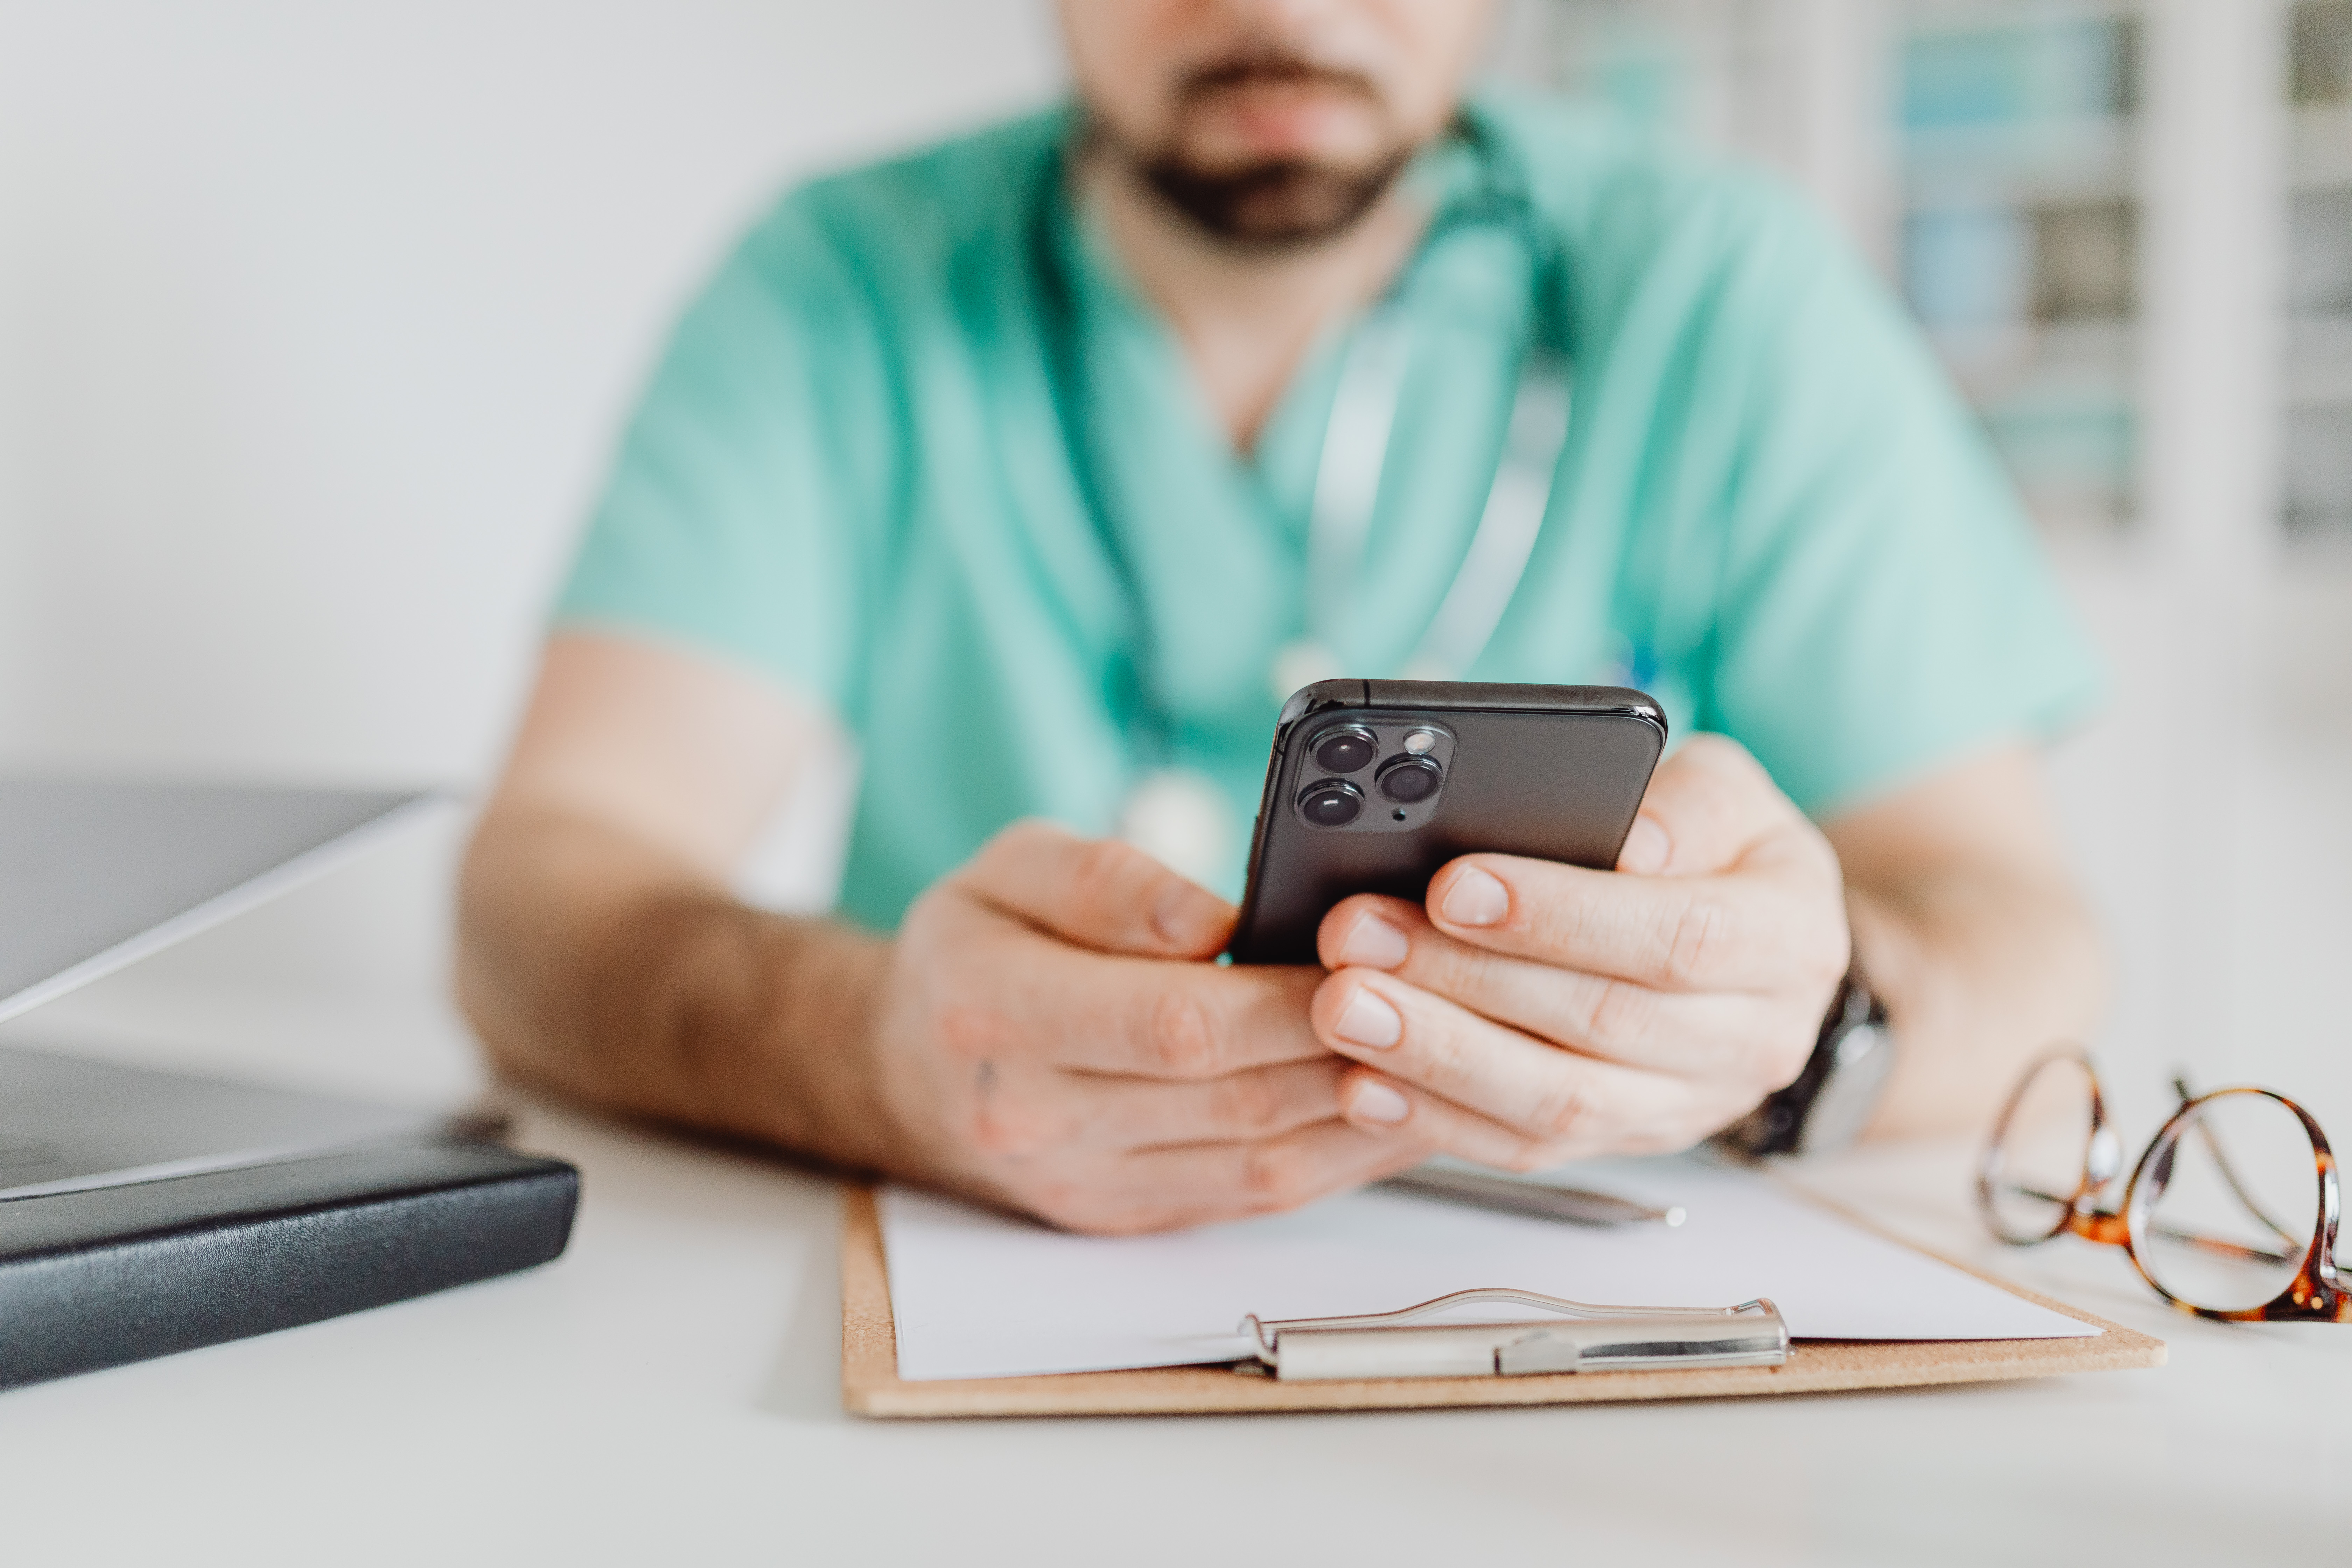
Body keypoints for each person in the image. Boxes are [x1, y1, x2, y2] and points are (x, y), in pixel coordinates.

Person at [457, 0, 2106, 1234]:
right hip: (979, 1294)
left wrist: (1810, 1022)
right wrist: (870, 1052)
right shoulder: (838, 284)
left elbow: (2026, 944)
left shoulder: (1723, 287)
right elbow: (539, 908)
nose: (1285, 5)